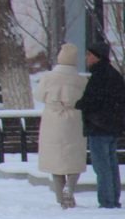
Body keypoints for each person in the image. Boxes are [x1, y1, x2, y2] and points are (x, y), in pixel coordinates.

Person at [35, 43, 87, 208]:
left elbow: (39, 96)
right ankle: (69, 189)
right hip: (74, 120)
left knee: (55, 159)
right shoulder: (80, 79)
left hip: (53, 120)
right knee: (74, 158)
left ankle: (60, 198)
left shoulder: (48, 78)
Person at [74, 40, 124, 209]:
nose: (86, 58)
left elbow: (92, 101)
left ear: (97, 57)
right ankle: (113, 198)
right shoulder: (113, 75)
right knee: (111, 165)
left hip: (99, 127)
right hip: (112, 127)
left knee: (102, 166)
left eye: (89, 54)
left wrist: (79, 104)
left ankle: (107, 201)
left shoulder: (99, 76)